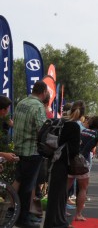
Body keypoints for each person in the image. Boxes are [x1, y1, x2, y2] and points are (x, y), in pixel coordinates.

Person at [67, 115, 98, 221]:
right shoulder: (97, 134)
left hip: (71, 159)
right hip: (82, 162)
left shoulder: (83, 131)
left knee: (66, 188)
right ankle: (78, 214)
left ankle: (61, 211)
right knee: (83, 189)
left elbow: (93, 141)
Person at [44, 100, 85, 228]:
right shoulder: (74, 126)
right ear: (81, 114)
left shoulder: (59, 121)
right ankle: (57, 223)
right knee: (59, 194)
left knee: (56, 194)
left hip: (52, 159)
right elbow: (74, 151)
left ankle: (56, 222)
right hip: (62, 162)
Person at [13, 81, 48, 227]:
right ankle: (23, 219)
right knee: (27, 187)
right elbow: (42, 130)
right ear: (44, 92)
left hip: (19, 149)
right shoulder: (38, 106)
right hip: (32, 150)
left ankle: (15, 214)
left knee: (20, 183)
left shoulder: (21, 102)